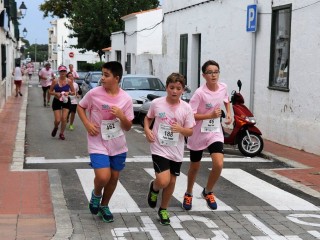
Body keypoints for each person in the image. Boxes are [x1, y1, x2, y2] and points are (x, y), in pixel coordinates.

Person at [77, 61, 134, 223]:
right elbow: (80, 107)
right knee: (103, 177)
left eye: (106, 75)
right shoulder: (94, 93)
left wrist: (121, 115)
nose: (102, 78)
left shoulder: (126, 99)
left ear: (116, 78)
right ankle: (96, 194)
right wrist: (87, 124)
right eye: (102, 74)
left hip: (118, 144)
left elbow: (128, 126)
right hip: (97, 142)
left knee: (114, 178)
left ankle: (104, 205)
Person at [144, 73, 195, 225]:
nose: (174, 91)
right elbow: (148, 118)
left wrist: (180, 129)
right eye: (171, 87)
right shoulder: (157, 103)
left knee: (172, 181)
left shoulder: (186, 108)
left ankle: (163, 209)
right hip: (159, 147)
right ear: (166, 88)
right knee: (163, 179)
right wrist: (147, 130)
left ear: (183, 90)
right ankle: (154, 187)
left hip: (176, 150)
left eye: (178, 88)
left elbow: (190, 131)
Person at [182, 60, 232, 211]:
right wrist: (209, 115)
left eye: (216, 71)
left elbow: (226, 100)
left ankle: (208, 191)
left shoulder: (223, 87)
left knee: (218, 164)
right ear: (204, 75)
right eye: (210, 72)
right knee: (195, 166)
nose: (213, 75)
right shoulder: (199, 93)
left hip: (214, 131)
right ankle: (189, 193)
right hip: (198, 133)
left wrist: (229, 114)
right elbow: (191, 115)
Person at [49, 65, 75, 140]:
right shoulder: (55, 81)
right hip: (57, 100)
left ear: (66, 72)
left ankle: (61, 133)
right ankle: (56, 127)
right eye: (61, 71)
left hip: (66, 100)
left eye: (64, 71)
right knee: (57, 120)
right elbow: (50, 92)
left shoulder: (69, 81)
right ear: (59, 72)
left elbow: (73, 92)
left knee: (64, 118)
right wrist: (55, 94)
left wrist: (68, 93)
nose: (62, 72)